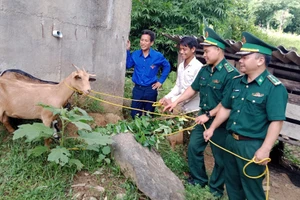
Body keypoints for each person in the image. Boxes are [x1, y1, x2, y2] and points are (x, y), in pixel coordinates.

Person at [203, 32, 288, 200]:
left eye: (245, 57)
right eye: (240, 57)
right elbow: (226, 108)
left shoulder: (274, 88)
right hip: (231, 141)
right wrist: (212, 128)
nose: (240, 60)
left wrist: (265, 149)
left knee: (252, 189)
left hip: (252, 145)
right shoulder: (237, 81)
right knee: (233, 184)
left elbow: (276, 122)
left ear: (260, 60)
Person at [164, 27, 239, 198]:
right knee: (194, 147)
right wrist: (175, 101)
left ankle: (216, 189)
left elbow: (226, 103)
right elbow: (192, 89)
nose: (203, 54)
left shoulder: (231, 75)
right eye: (203, 51)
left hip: (219, 121)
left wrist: (210, 115)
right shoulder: (205, 70)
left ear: (218, 50)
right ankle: (199, 179)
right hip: (203, 117)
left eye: (206, 51)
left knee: (220, 157)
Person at [159, 36, 203, 149]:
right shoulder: (181, 66)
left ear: (193, 49)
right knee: (184, 140)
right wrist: (166, 97)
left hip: (194, 111)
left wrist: (173, 101)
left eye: (185, 49)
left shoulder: (198, 68)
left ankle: (191, 163)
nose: (181, 52)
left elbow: (192, 91)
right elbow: (178, 87)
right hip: (183, 109)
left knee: (193, 143)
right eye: (181, 49)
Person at [126, 29, 171, 119]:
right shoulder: (135, 54)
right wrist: (127, 50)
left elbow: (167, 66)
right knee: (134, 114)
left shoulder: (157, 56)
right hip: (137, 89)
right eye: (142, 40)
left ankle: (148, 132)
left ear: (151, 43)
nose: (143, 43)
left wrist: (160, 81)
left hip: (151, 89)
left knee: (149, 114)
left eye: (146, 40)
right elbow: (128, 65)